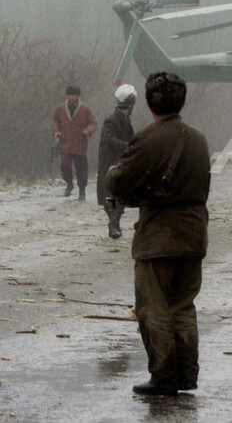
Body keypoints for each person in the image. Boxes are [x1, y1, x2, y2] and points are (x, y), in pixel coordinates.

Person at [106, 72, 210, 396]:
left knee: (154, 308)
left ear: (149, 104)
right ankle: (187, 375)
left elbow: (119, 181)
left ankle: (164, 376)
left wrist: (112, 173)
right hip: (194, 231)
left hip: (159, 234)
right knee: (183, 305)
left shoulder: (147, 139)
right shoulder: (199, 139)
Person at [96, 84, 137, 239]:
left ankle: (115, 223)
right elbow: (110, 139)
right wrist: (129, 146)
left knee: (118, 195)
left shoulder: (125, 119)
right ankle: (113, 224)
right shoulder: (111, 120)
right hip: (110, 162)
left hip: (121, 162)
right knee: (112, 195)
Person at [51, 85, 97, 200]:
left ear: (78, 96)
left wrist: (87, 131)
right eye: (70, 95)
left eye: (74, 95)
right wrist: (56, 132)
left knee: (81, 168)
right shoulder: (60, 108)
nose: (72, 97)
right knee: (65, 165)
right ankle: (69, 183)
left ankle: (82, 190)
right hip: (65, 142)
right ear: (67, 95)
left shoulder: (85, 109)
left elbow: (93, 122)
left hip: (80, 142)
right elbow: (56, 121)